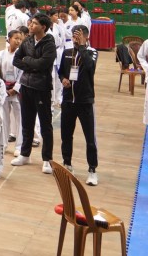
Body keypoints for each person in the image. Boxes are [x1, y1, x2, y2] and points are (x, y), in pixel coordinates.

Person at [11, 13, 57, 174]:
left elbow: (43, 64)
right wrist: (32, 65)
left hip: (41, 88)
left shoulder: (49, 44)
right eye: (30, 23)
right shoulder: (28, 40)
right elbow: (16, 60)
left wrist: (28, 61)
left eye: (34, 23)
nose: (30, 26)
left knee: (45, 125)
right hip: (26, 85)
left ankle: (47, 159)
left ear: (43, 27)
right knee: (27, 122)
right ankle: (25, 154)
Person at [58, 25, 99, 186]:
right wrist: (63, 79)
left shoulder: (92, 52)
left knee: (90, 138)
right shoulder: (67, 52)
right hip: (68, 100)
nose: (75, 39)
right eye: (74, 36)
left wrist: (82, 46)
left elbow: (90, 67)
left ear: (86, 37)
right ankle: (67, 163)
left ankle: (92, 170)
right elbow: (61, 71)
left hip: (85, 101)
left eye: (79, 36)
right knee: (66, 135)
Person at [0, 30, 24, 149]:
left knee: (20, 118)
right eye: (16, 38)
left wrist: (16, 88)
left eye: (20, 39)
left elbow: (23, 73)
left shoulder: (22, 55)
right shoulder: (0, 54)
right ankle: (4, 143)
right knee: (4, 117)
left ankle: (19, 146)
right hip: (4, 89)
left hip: (17, 89)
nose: (18, 41)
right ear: (9, 38)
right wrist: (3, 88)